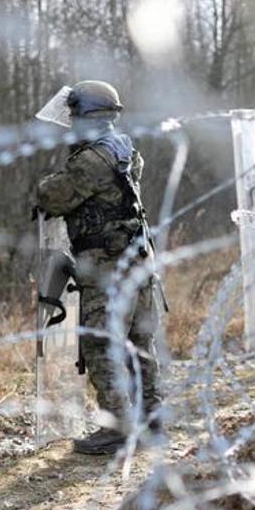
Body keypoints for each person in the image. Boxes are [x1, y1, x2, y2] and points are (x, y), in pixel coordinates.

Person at [35, 80, 164, 456]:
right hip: (136, 259)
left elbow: (51, 196)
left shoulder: (93, 159)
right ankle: (152, 417)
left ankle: (119, 428)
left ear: (88, 116)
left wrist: (53, 176)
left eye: (75, 115)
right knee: (139, 342)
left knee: (100, 342)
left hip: (108, 265)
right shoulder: (123, 148)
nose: (71, 121)